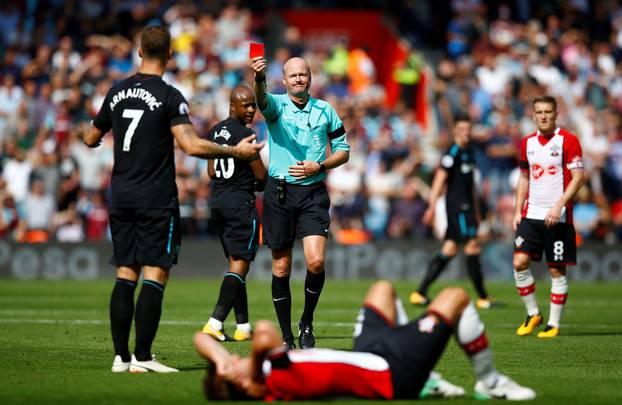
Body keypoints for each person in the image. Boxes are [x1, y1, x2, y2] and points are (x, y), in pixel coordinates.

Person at [81, 25, 262, 373]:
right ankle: (144, 357)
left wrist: (92, 136)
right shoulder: (169, 95)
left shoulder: (116, 91)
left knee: (124, 271)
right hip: (155, 195)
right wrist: (235, 152)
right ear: (169, 56)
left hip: (120, 194)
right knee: (155, 272)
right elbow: (192, 146)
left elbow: (90, 136)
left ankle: (121, 357)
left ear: (138, 52)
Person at [194, 280, 536, 401]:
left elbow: (200, 338)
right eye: (231, 365)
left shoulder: (257, 374)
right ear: (240, 381)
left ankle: (428, 378)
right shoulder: (266, 384)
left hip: (370, 354)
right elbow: (265, 332)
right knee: (456, 297)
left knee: (382, 290)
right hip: (393, 373)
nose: (232, 359)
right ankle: (490, 382)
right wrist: (240, 368)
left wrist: (222, 363)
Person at [250, 56, 350, 349]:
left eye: (302, 74)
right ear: (283, 80)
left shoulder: (325, 110)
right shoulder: (275, 105)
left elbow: (343, 150)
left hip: (312, 192)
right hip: (279, 193)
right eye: (292, 75)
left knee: (316, 261)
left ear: (310, 78)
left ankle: (306, 321)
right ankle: (286, 336)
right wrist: (258, 79)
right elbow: (260, 99)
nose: (298, 79)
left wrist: (320, 166)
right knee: (281, 268)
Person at [512, 95, 584, 338]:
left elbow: (578, 178)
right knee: (519, 262)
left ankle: (553, 324)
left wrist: (559, 206)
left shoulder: (569, 140)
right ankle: (533, 314)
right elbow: (524, 177)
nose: (543, 116)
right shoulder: (527, 143)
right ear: (533, 115)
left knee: (556, 271)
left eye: (548, 112)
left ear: (556, 114)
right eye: (539, 112)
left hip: (559, 217)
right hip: (531, 214)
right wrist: (517, 210)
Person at [201, 85, 266, 342]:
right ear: (233, 106)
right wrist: (256, 182)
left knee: (235, 265)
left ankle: (243, 327)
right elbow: (260, 176)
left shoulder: (216, 131)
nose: (251, 110)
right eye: (246, 105)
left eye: (253, 105)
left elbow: (211, 172)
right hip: (240, 205)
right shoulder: (246, 135)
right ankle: (215, 322)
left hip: (218, 203)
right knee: (240, 266)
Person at [410, 114, 494, 309]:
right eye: (462, 129)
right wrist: (431, 208)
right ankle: (483, 297)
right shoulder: (452, 153)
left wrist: (477, 210)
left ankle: (420, 292)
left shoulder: (470, 151)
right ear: (455, 131)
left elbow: (471, 184)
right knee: (472, 246)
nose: (466, 133)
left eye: (468, 129)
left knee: (450, 249)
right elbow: (439, 180)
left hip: (467, 207)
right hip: (457, 208)